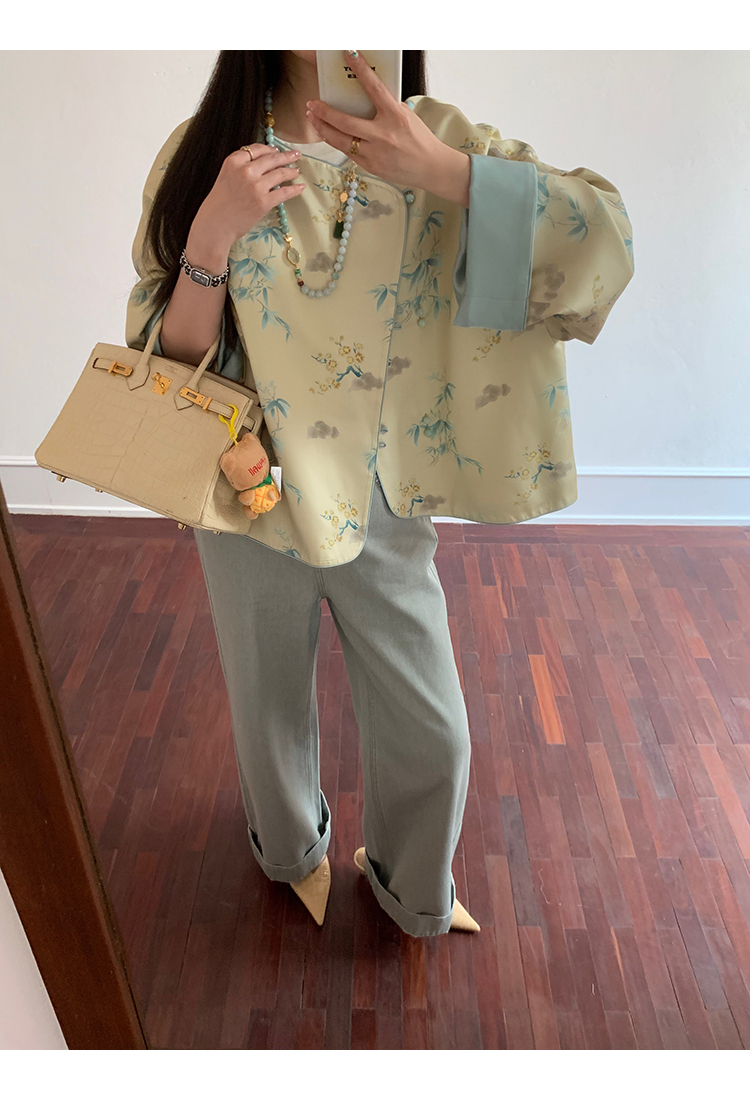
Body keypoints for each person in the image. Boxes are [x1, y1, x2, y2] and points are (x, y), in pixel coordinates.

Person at [125, 50, 634, 938]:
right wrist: (210, 238)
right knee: (265, 705)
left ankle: (412, 880)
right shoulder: (205, 151)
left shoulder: (438, 136)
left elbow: (603, 243)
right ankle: (290, 854)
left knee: (434, 731)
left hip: (384, 499)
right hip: (252, 492)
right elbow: (168, 367)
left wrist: (449, 175)